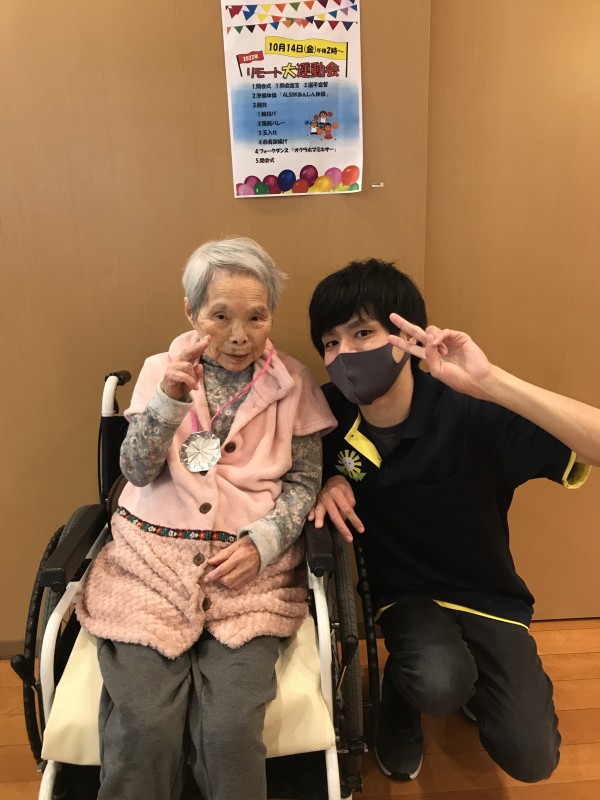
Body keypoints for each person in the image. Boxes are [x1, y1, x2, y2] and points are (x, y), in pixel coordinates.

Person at [308, 258, 600, 784]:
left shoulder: (470, 409)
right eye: (330, 342)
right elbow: (286, 477)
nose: (344, 353)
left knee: (532, 759)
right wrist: (326, 481)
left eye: (362, 333)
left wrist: (491, 382)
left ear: (406, 338)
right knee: (439, 680)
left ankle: (465, 680)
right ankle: (404, 694)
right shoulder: (328, 414)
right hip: (404, 598)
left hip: (488, 595)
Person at [76, 236, 336, 800]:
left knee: (230, 731)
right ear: (191, 312)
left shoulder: (293, 382)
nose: (239, 335)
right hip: (150, 572)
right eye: (220, 316)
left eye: (256, 317)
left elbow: (303, 483)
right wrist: (169, 399)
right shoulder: (160, 370)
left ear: (271, 316)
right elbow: (135, 470)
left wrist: (262, 543)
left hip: (250, 580)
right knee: (144, 725)